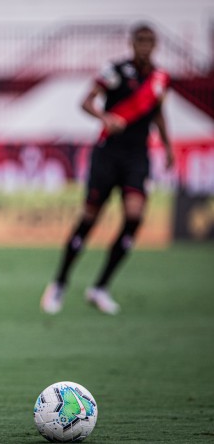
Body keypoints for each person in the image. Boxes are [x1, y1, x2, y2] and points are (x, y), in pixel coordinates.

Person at [40, 24, 174, 315]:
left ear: (156, 45)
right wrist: (105, 117)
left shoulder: (160, 78)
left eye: (150, 41)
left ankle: (100, 287)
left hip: (138, 156)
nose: (145, 46)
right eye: (140, 40)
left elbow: (159, 113)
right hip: (108, 153)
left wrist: (168, 147)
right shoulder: (116, 70)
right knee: (89, 218)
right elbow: (86, 102)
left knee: (135, 217)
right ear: (132, 42)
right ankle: (60, 282)